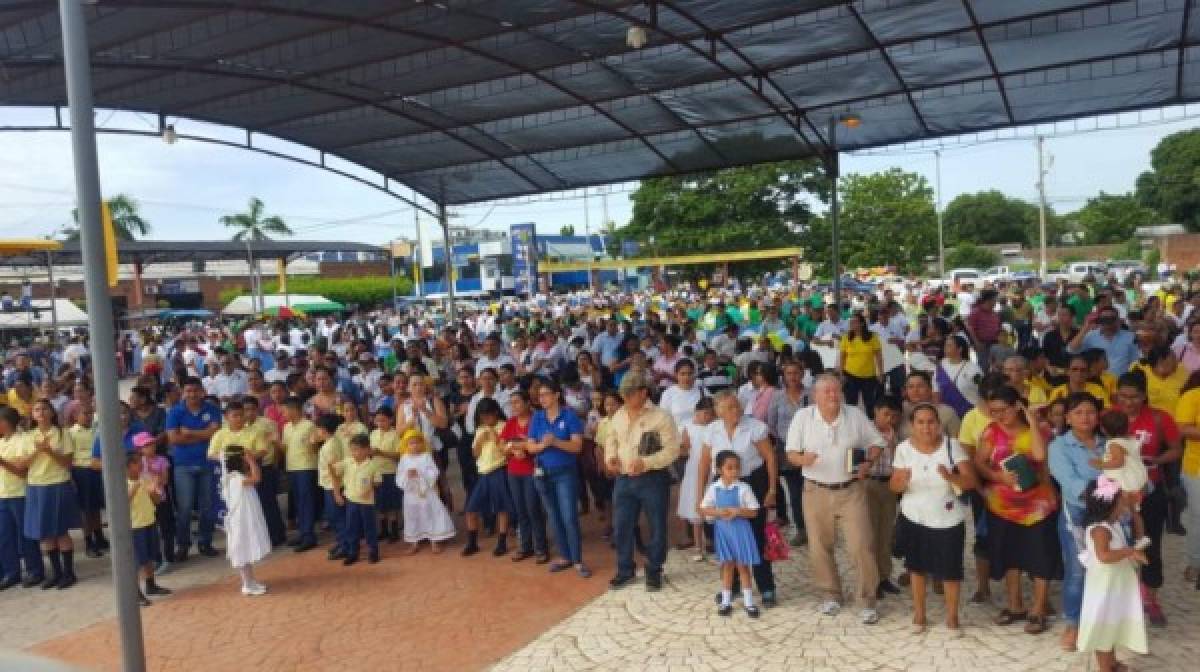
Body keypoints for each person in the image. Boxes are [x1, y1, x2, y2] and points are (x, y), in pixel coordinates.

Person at [785, 374, 885, 624]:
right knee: (820, 545)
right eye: (826, 391)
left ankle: (867, 599)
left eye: (836, 390)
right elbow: (790, 453)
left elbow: (877, 443)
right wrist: (802, 459)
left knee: (861, 544)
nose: (832, 395)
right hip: (815, 490)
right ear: (815, 396)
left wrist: (869, 462)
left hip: (851, 489)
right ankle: (831, 594)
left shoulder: (855, 415)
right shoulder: (803, 417)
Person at [974, 385, 1060, 635]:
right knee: (1010, 557)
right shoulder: (991, 432)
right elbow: (979, 462)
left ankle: (1038, 609)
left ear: (1017, 407)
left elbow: (1039, 455)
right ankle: (1015, 605)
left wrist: (1032, 422)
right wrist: (997, 477)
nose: (999, 416)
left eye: (1003, 410)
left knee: (1040, 557)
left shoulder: (1040, 430)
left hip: (1038, 505)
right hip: (1003, 505)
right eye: (993, 411)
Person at [890, 403, 976, 635]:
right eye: (921, 422)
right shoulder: (903, 449)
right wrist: (902, 481)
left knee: (950, 571)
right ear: (912, 425)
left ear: (938, 424)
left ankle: (952, 617)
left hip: (948, 518)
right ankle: (919, 614)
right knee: (916, 568)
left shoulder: (952, 446)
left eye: (931, 422)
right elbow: (894, 486)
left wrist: (951, 476)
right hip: (914, 517)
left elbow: (971, 481)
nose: (926, 427)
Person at [1114, 371, 1181, 626]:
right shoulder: (1109, 417)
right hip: (1118, 493)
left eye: (1134, 397)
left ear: (1144, 396)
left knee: (1149, 543)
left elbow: (1175, 449)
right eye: (1123, 396)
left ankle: (1150, 598)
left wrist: (1156, 460)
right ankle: (1121, 598)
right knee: (1119, 544)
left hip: (1150, 489)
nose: (1128, 402)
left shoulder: (1159, 418)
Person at [605, 371, 680, 591]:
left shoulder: (661, 417)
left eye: (630, 395)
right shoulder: (619, 414)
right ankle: (625, 569)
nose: (626, 400)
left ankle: (654, 568)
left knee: (657, 526)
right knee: (621, 526)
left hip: (653, 479)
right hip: (624, 479)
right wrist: (611, 457)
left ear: (643, 393)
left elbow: (673, 450)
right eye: (624, 395)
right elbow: (612, 438)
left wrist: (645, 463)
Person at [1047, 392, 1106, 651]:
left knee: (1109, 570)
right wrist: (1112, 489)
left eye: (1090, 412)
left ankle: (1107, 621)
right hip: (1078, 515)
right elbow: (1071, 484)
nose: (1085, 417)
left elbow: (1134, 476)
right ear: (1068, 418)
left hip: (1112, 515)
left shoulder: (1110, 444)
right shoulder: (1058, 446)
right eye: (1078, 412)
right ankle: (1073, 624)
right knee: (1077, 571)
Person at [1076, 476, 1149, 672]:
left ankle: (1112, 663)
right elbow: (1103, 556)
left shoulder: (1112, 524)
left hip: (1114, 587)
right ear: (1110, 506)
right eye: (1121, 502)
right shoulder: (1100, 530)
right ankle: (1105, 668)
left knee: (1111, 626)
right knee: (1104, 630)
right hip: (1105, 590)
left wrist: (1134, 510)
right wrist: (1129, 552)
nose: (1124, 504)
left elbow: (1137, 530)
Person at [528, 379, 590, 578]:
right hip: (542, 472)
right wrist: (541, 447)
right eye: (540, 395)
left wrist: (554, 441)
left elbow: (577, 446)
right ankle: (565, 556)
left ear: (556, 395)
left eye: (546, 394)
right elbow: (530, 445)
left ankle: (577, 559)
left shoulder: (569, 416)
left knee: (569, 516)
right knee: (554, 517)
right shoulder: (537, 417)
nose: (542, 398)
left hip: (565, 472)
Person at [22, 399, 80, 590]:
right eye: (37, 409)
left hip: (57, 483)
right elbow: (23, 464)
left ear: (52, 412)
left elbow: (67, 463)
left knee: (61, 530)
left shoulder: (62, 433)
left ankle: (69, 572)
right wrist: (37, 452)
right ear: (33, 415)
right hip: (36, 485)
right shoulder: (28, 436)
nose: (40, 412)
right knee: (44, 532)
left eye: (44, 409)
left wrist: (50, 452)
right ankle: (56, 573)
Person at [699, 451, 762, 618]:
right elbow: (704, 508)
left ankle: (749, 602)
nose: (734, 471)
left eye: (737, 468)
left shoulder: (743, 488)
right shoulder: (714, 488)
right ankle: (726, 601)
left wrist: (738, 511)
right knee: (727, 565)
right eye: (729, 468)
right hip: (723, 532)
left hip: (740, 531)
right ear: (719, 470)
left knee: (743, 566)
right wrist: (718, 512)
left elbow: (754, 511)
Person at [165, 377, 222, 560]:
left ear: (202, 391)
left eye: (196, 390)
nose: (192, 394)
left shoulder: (212, 409)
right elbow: (173, 439)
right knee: (185, 508)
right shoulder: (175, 412)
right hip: (183, 465)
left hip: (208, 463)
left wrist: (189, 433)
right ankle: (183, 545)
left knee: (207, 506)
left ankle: (205, 542)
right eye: (188, 391)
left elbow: (215, 433)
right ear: (183, 392)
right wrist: (204, 434)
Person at [500, 390, 548, 563]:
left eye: (517, 402)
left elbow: (540, 443)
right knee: (520, 510)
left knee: (533, 509)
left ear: (528, 403)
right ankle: (526, 546)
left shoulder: (537, 420)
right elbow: (502, 445)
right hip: (514, 470)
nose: (514, 406)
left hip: (531, 470)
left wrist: (522, 447)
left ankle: (541, 547)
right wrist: (513, 449)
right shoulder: (511, 422)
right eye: (511, 403)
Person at [0, 406, 44, 589]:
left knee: (26, 535)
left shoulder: (23, 440)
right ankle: (11, 572)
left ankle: (35, 570)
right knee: (5, 536)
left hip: (20, 493)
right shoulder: (1, 442)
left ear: (5, 422)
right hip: (3, 494)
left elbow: (21, 471)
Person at [462, 399, 512, 557]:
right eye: (482, 417)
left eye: (487, 416)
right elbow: (475, 454)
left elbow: (506, 451)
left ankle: (502, 542)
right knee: (471, 509)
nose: (485, 420)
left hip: (499, 469)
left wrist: (494, 436)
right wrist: (480, 441)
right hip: (482, 472)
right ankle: (472, 542)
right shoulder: (480, 429)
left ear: (495, 413)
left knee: (501, 509)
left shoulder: (504, 426)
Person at [220, 449, 271, 596]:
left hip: (244, 518)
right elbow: (257, 478)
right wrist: (252, 462)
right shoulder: (235, 478)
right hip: (240, 520)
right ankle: (246, 584)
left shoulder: (236, 477)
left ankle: (250, 581)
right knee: (242, 549)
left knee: (245, 549)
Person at [866, 395, 902, 598]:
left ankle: (884, 576)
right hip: (869, 483)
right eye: (886, 414)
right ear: (876, 412)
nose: (890, 419)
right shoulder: (864, 432)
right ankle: (872, 580)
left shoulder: (894, 435)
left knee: (886, 533)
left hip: (888, 485)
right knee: (870, 533)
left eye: (894, 416)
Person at [396, 429, 455, 553]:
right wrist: (407, 475)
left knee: (431, 513)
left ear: (422, 444)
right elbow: (399, 475)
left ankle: (434, 540)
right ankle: (414, 542)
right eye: (411, 443)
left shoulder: (426, 456)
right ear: (406, 445)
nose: (415, 445)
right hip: (411, 493)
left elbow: (434, 472)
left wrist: (420, 474)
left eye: (417, 442)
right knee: (412, 516)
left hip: (426, 492)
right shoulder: (404, 458)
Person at [125, 454, 171, 606]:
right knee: (136, 561)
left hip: (149, 521)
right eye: (138, 463)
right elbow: (123, 502)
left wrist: (155, 491)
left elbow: (156, 501)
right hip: (134, 526)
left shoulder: (145, 479)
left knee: (149, 557)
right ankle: (135, 593)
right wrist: (136, 486)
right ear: (130, 465)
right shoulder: (121, 482)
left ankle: (151, 585)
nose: (142, 466)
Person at [330, 433, 382, 565]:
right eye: (352, 449)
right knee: (351, 527)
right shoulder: (348, 462)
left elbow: (378, 482)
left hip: (367, 503)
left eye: (357, 449)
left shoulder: (373, 465)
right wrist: (331, 466)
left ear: (367, 449)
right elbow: (334, 470)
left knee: (369, 527)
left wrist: (373, 484)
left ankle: (373, 551)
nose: (354, 452)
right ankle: (353, 552)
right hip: (351, 501)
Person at [677, 397, 715, 562]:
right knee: (696, 508)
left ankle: (715, 542)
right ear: (696, 413)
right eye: (704, 413)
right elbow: (684, 449)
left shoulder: (716, 427)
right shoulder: (689, 427)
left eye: (710, 414)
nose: (707, 417)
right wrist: (680, 447)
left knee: (715, 505)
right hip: (694, 471)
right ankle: (698, 547)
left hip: (713, 470)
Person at [66, 402, 104, 558]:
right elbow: (69, 457)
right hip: (82, 471)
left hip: (97, 469)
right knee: (86, 509)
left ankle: (99, 536)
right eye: (85, 414)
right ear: (75, 416)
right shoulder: (71, 433)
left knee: (96, 507)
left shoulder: (97, 430)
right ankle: (89, 541)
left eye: (90, 413)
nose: (89, 417)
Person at [282, 397, 319, 552]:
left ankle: (309, 535)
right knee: (298, 502)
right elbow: (285, 448)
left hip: (306, 467)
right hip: (292, 467)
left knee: (306, 501)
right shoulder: (286, 427)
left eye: (285, 410)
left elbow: (315, 446)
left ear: (294, 410)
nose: (283, 413)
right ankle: (303, 532)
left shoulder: (309, 425)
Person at [313, 413, 347, 561]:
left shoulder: (330, 447)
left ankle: (345, 545)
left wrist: (336, 492)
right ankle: (342, 542)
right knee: (336, 517)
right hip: (330, 485)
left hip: (333, 487)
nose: (316, 432)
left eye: (318, 429)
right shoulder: (332, 442)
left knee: (337, 517)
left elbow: (334, 472)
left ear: (324, 430)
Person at [838, 314, 884, 417]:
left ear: (862, 323)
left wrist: (880, 373)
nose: (852, 324)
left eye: (854, 322)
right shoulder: (846, 337)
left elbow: (879, 357)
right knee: (851, 403)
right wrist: (841, 374)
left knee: (870, 403)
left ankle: (872, 425)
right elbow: (842, 357)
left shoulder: (873, 337)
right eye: (851, 322)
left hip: (869, 375)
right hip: (850, 375)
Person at [369, 408, 403, 543]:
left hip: (390, 472)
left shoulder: (395, 434)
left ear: (391, 420)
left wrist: (380, 452)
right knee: (379, 504)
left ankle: (394, 531)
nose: (380, 423)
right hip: (376, 472)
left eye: (383, 420)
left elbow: (399, 455)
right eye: (377, 420)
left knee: (392, 504)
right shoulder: (373, 434)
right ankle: (383, 530)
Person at [936, 334, 982, 418]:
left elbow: (982, 389)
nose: (945, 348)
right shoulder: (941, 364)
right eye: (945, 345)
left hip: (969, 412)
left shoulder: (973, 369)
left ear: (960, 349)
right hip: (948, 414)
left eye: (949, 345)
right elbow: (936, 388)